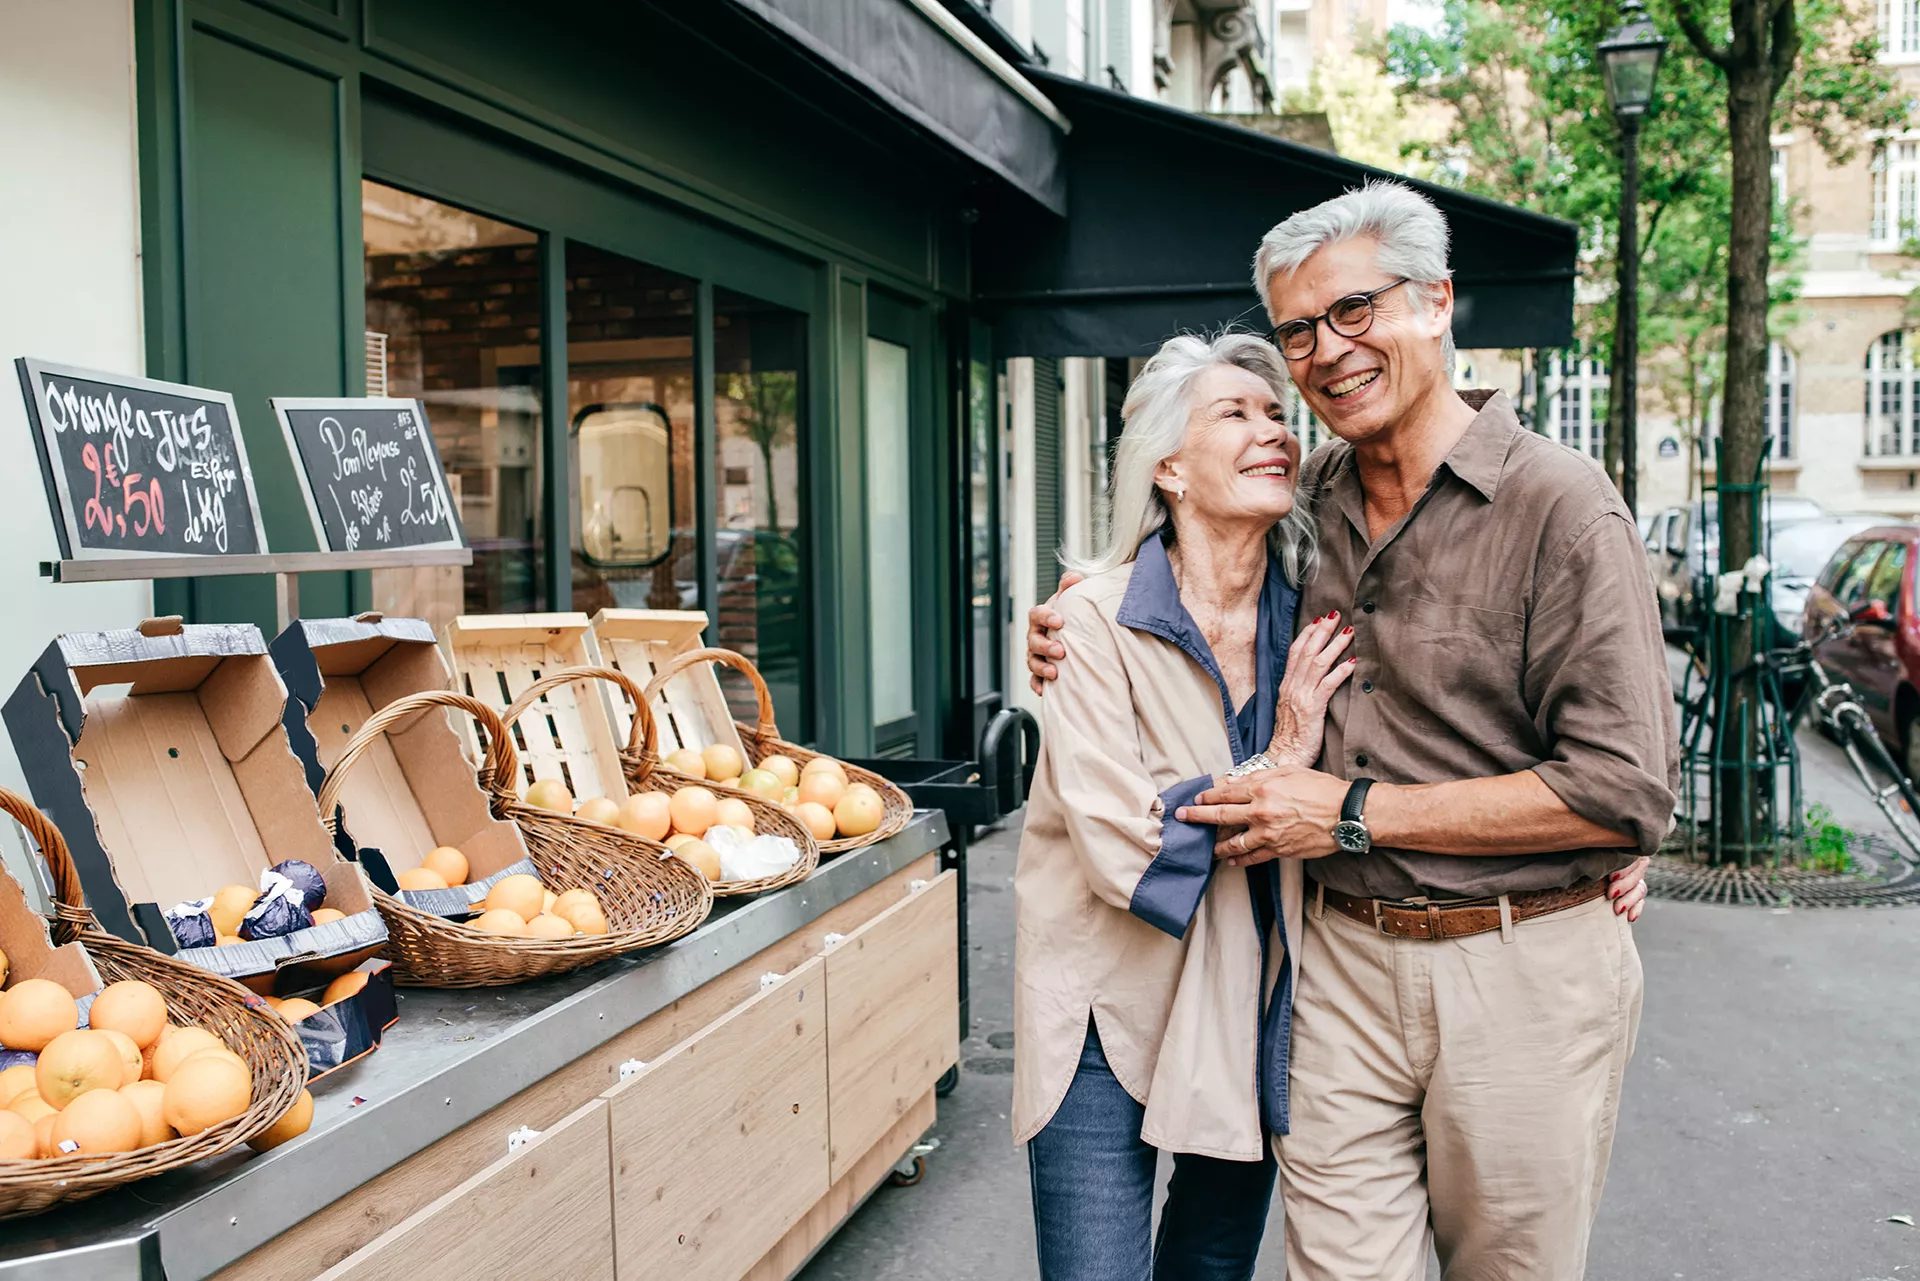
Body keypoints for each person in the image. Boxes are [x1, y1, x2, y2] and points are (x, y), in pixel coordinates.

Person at [1026, 180, 1672, 1281]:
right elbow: (1178, 576)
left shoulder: (1562, 506)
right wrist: (1069, 622)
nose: (1322, 355)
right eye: (1298, 331)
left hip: (1516, 966)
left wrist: (1366, 816)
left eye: (1354, 311)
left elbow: (1622, 787)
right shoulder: (1308, 508)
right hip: (1332, 976)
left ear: (1437, 302)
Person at [1015, 332, 1356, 1280]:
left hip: (1248, 996)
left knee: (1211, 1265)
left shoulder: (1316, 621)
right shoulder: (1091, 622)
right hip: (1100, 1008)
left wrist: (1602, 834)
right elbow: (1125, 843)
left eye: (1277, 415)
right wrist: (1285, 760)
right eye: (1234, 413)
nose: (1271, 432)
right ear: (1168, 465)